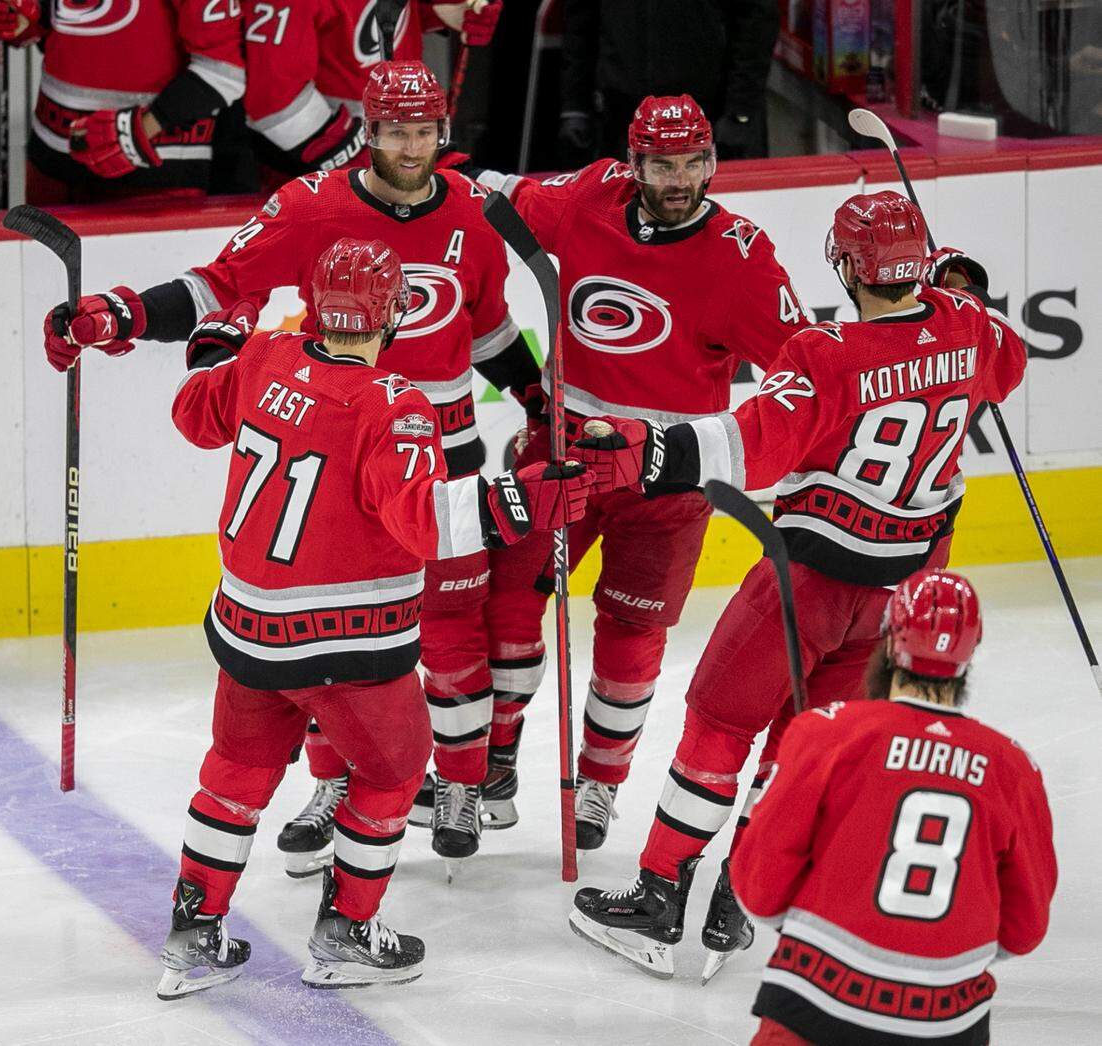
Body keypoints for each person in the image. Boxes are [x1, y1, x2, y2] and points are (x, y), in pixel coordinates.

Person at [41, 59, 544, 873]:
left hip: (444, 450)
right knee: (330, 644)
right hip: (339, 449)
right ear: (369, 132)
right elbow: (217, 286)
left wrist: (534, 395)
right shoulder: (313, 207)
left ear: (441, 132)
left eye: (423, 130)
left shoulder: (474, 217)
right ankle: (334, 783)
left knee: (451, 632)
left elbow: (484, 326)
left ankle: (457, 782)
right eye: (394, 131)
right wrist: (122, 315)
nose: (410, 146)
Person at [566, 191, 1029, 979]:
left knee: (719, 725)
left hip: (806, 582)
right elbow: (1008, 361)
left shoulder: (826, 349)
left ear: (847, 266)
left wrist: (646, 449)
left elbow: (750, 444)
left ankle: (656, 899)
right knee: (799, 744)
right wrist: (954, 291)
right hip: (900, 596)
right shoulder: (969, 326)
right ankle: (735, 908)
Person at [159, 236, 592, 997]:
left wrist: (217, 339)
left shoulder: (264, 357)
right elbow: (424, 523)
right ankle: (348, 931)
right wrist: (522, 499)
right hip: (345, 644)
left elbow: (195, 415)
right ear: (395, 314)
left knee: (234, 774)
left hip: (246, 631)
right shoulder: (396, 405)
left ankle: (193, 933)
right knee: (393, 772)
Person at [474, 94, 805, 848]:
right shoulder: (590, 195)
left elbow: (807, 369)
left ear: (712, 161)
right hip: (559, 457)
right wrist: (429, 164)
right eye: (663, 163)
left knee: (632, 632)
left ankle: (598, 784)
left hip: (666, 482)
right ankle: (492, 760)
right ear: (635, 163)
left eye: (694, 161)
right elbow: (498, 193)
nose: (681, 178)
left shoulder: (743, 257)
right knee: (508, 603)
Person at [733, 569, 1057, 1045]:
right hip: (948, 1021)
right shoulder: (1014, 768)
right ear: (969, 656)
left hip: (814, 1005)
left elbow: (758, 889)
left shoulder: (825, 734)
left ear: (887, 642)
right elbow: (1023, 930)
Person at [0, 0, 246, 203]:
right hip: (51, 161)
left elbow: (224, 70)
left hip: (152, 178)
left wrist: (145, 127)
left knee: (143, 282)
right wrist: (27, 18)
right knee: (38, 281)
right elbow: (72, 20)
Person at [242, 0, 502, 187]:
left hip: (390, 158)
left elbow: (357, 24)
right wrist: (366, 156)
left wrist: (434, 12)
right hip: (317, 181)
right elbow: (274, 101)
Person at [557, 0, 779, 166]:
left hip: (711, 117)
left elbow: (757, 22)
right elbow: (580, 21)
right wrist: (575, 105)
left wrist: (740, 112)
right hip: (624, 116)